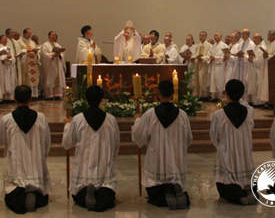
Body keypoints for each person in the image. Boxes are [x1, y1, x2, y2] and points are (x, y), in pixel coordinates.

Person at [0, 85, 52, 213]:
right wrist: (42, 156)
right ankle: (33, 194)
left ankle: (21, 195)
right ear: (30, 99)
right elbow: (47, 142)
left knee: (13, 193)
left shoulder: (7, 120)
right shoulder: (41, 118)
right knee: (41, 195)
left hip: (16, 171)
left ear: (14, 98)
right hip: (35, 170)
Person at [131, 80, 192, 210]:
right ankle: (175, 187)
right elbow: (188, 139)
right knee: (176, 177)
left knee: (155, 189)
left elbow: (139, 137)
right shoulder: (182, 115)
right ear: (174, 92)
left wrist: (137, 120)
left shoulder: (149, 114)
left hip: (157, 163)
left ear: (157, 93)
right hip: (176, 164)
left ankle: (165, 191)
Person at [62, 85, 119, 212]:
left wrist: (67, 125)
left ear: (86, 99)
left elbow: (67, 143)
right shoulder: (111, 120)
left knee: (78, 194)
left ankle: (87, 192)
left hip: (84, 173)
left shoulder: (77, 120)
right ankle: (100, 195)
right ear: (101, 100)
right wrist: (111, 158)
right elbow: (116, 146)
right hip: (104, 172)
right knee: (107, 193)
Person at [210, 79, 257, 205]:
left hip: (227, 155)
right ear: (242, 94)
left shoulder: (218, 115)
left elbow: (214, 136)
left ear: (225, 93)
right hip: (245, 152)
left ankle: (237, 194)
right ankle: (248, 188)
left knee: (225, 183)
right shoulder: (250, 112)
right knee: (247, 176)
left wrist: (222, 147)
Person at [260, 30, 275, 109]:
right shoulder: (270, 45)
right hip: (269, 68)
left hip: (274, 70)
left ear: (274, 36)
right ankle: (269, 101)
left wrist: (268, 56)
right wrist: (265, 55)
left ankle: (273, 103)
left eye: (269, 34)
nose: (267, 36)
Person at [40, 31, 66, 99]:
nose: (53, 36)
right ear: (49, 36)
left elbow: (62, 54)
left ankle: (57, 95)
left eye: (54, 35)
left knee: (58, 79)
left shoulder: (57, 45)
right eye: (52, 35)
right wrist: (53, 54)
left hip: (58, 64)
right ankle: (49, 95)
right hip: (50, 65)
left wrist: (60, 54)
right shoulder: (45, 45)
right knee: (50, 79)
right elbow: (44, 54)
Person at [18, 28, 40, 98]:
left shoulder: (32, 42)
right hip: (26, 63)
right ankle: (26, 95)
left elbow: (38, 52)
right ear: (24, 33)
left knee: (33, 78)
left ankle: (33, 95)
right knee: (27, 78)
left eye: (30, 33)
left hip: (33, 63)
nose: (30, 34)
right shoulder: (19, 42)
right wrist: (27, 53)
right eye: (28, 33)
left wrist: (36, 53)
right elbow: (19, 52)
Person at [246, 33, 268, 106]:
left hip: (259, 70)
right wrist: (250, 58)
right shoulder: (256, 47)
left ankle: (260, 102)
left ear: (259, 38)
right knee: (253, 85)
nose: (254, 40)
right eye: (253, 38)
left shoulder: (263, 47)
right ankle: (255, 102)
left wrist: (253, 60)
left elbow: (261, 59)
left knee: (259, 85)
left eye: (255, 38)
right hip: (254, 69)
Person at [207, 32, 227, 101]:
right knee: (213, 81)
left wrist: (215, 57)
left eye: (217, 35)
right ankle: (214, 96)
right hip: (213, 65)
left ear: (221, 37)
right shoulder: (213, 46)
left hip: (220, 66)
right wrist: (210, 57)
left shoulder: (224, 45)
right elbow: (209, 54)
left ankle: (220, 97)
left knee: (219, 80)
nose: (215, 37)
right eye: (214, 36)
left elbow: (224, 57)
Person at [0, 35, 16, 101]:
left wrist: (11, 58)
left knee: (10, 81)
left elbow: (12, 56)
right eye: (3, 38)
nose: (5, 40)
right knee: (4, 82)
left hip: (9, 66)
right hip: (3, 67)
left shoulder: (9, 47)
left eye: (6, 38)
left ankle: (10, 97)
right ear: (0, 40)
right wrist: (5, 57)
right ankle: (4, 97)